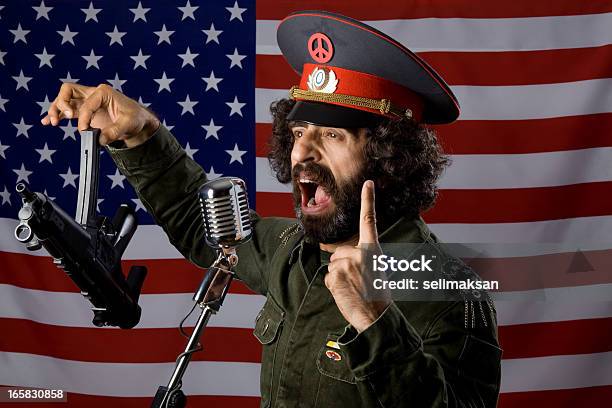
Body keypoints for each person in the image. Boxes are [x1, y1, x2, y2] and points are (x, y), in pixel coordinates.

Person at [41, 10, 501, 408]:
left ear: (389, 156)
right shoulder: (291, 250)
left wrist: (376, 321)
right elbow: (202, 224)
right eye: (300, 131)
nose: (302, 153)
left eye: (333, 135)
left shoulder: (449, 293)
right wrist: (139, 133)